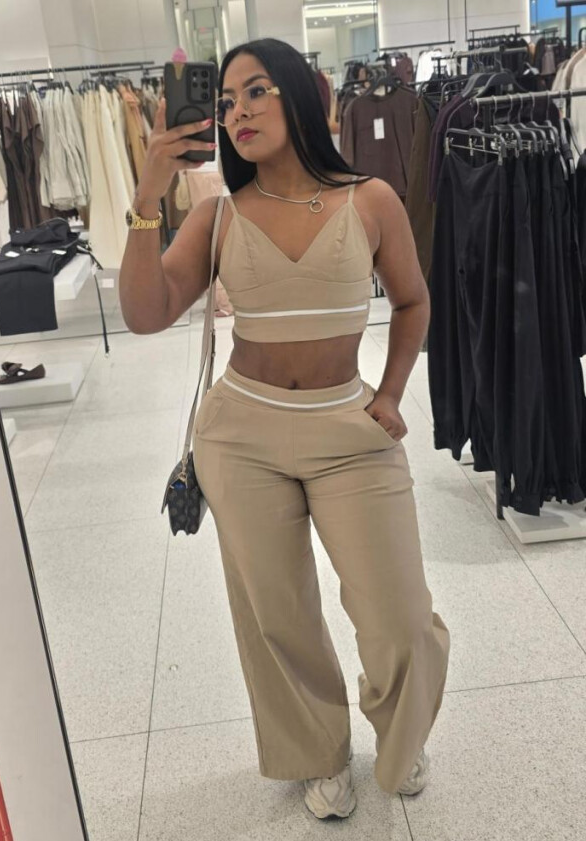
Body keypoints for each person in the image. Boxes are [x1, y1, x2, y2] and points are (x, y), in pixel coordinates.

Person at [119, 38, 450, 821]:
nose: (237, 111)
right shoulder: (218, 214)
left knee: (400, 615)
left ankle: (401, 733)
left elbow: (412, 300)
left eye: (256, 90)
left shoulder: (370, 200)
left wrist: (391, 392)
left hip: (349, 429)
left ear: (304, 93)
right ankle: (316, 753)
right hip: (243, 437)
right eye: (226, 100)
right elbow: (145, 312)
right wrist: (148, 194)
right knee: (278, 614)